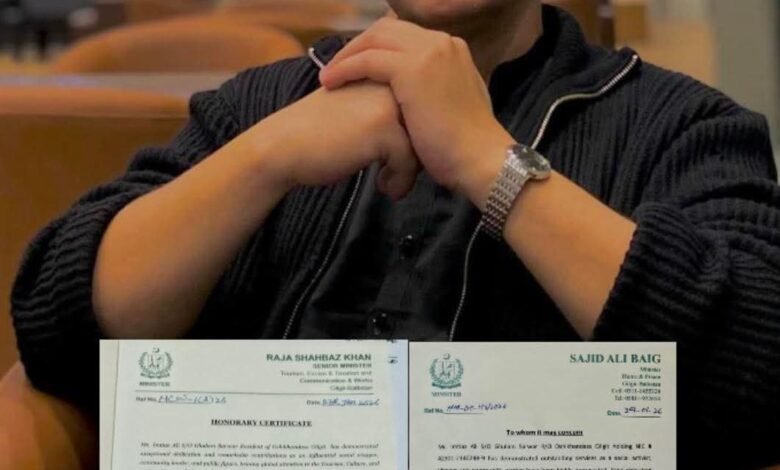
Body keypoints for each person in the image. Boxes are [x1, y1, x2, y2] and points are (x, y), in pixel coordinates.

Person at [10, 1, 780, 467]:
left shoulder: (682, 126)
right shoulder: (261, 106)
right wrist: (270, 156)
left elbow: (754, 373)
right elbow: (56, 325)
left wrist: (485, 158)